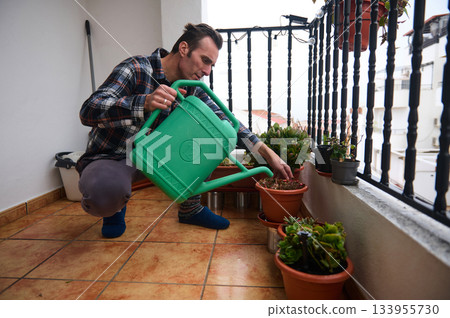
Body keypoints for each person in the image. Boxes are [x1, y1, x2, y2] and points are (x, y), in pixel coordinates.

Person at [77, 23, 293, 238]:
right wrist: (145, 102)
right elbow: (89, 111)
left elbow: (228, 123)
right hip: (115, 156)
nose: (207, 71)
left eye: (211, 66)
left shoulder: (192, 89)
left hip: (157, 157)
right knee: (104, 193)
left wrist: (269, 154)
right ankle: (114, 206)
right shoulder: (136, 68)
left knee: (212, 135)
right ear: (184, 49)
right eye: (205, 60)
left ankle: (191, 210)